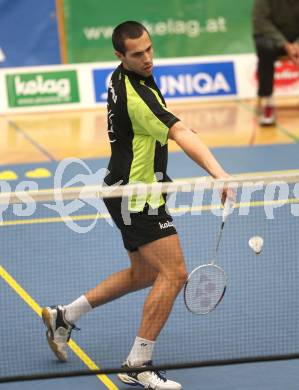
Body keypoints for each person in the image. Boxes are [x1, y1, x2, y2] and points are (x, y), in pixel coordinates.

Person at [42, 21, 233, 389]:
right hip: (137, 196)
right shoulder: (137, 94)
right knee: (174, 274)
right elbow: (179, 132)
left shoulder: (122, 77)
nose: (147, 58)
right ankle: (137, 363)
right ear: (119, 56)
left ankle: (64, 317)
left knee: (144, 273)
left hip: (122, 189)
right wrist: (218, 173)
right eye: (137, 54)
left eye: (149, 49)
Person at [252, 0, 299, 126]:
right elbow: (260, 21)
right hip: (269, 37)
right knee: (265, 48)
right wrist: (284, 44)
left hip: (294, 38)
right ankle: (268, 102)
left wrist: (297, 45)